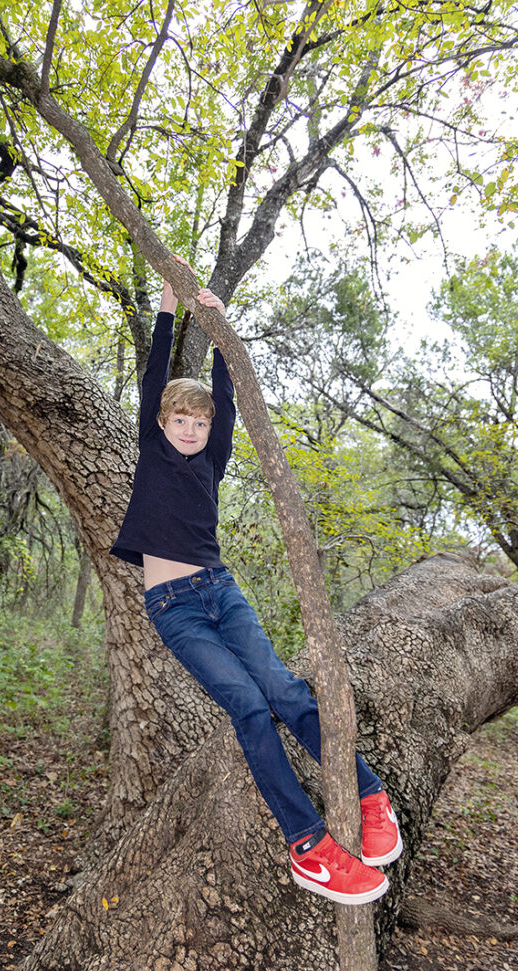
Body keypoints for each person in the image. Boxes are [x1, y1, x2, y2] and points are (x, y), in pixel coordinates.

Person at [111, 262, 402, 905]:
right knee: (248, 705)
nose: (189, 429)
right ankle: (310, 846)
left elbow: (229, 389)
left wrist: (215, 327)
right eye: (178, 421)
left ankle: (369, 793)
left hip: (220, 589)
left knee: (282, 688)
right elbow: (155, 377)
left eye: (199, 422)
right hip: (174, 610)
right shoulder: (153, 451)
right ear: (160, 425)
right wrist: (168, 310)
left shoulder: (212, 461)